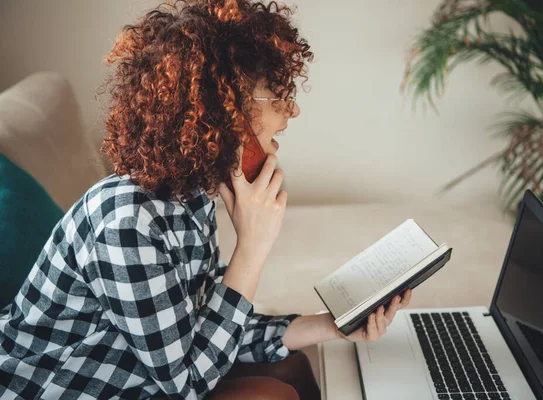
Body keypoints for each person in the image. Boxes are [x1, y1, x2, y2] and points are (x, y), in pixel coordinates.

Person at [0, 0, 411, 398]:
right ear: (223, 110)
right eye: (274, 93)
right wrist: (252, 247)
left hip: (142, 380)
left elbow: (209, 327)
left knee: (295, 371)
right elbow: (189, 383)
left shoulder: (189, 198)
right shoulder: (127, 224)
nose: (293, 110)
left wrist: (332, 325)